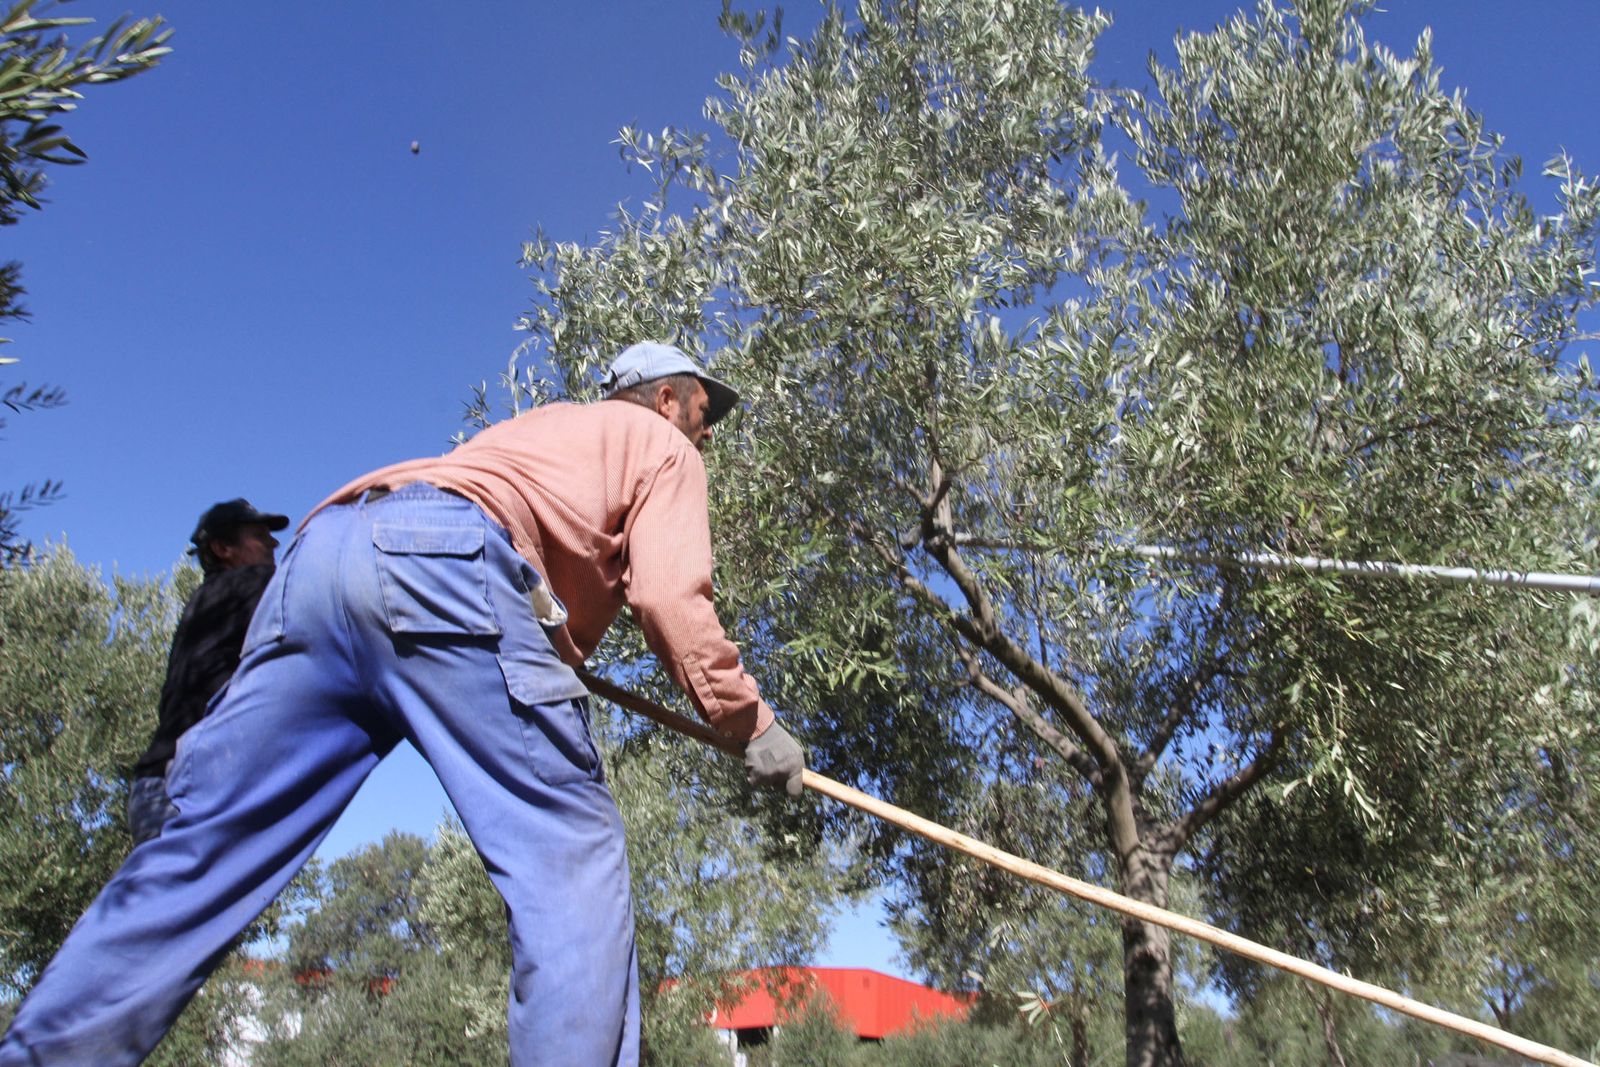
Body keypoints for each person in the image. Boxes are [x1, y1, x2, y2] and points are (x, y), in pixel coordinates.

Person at [0, 342, 805, 1067]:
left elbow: (500, 561)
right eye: (704, 410)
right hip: (448, 568)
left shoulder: (543, 429)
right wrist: (749, 722)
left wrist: (534, 639)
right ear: (665, 399)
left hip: (322, 558)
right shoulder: (662, 446)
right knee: (573, 861)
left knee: (200, 849)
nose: (707, 431)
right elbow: (669, 597)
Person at [126, 499, 289, 845]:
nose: (274, 543)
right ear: (222, 548)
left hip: (157, 790)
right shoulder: (249, 585)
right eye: (260, 535)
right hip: (186, 791)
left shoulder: (208, 601)